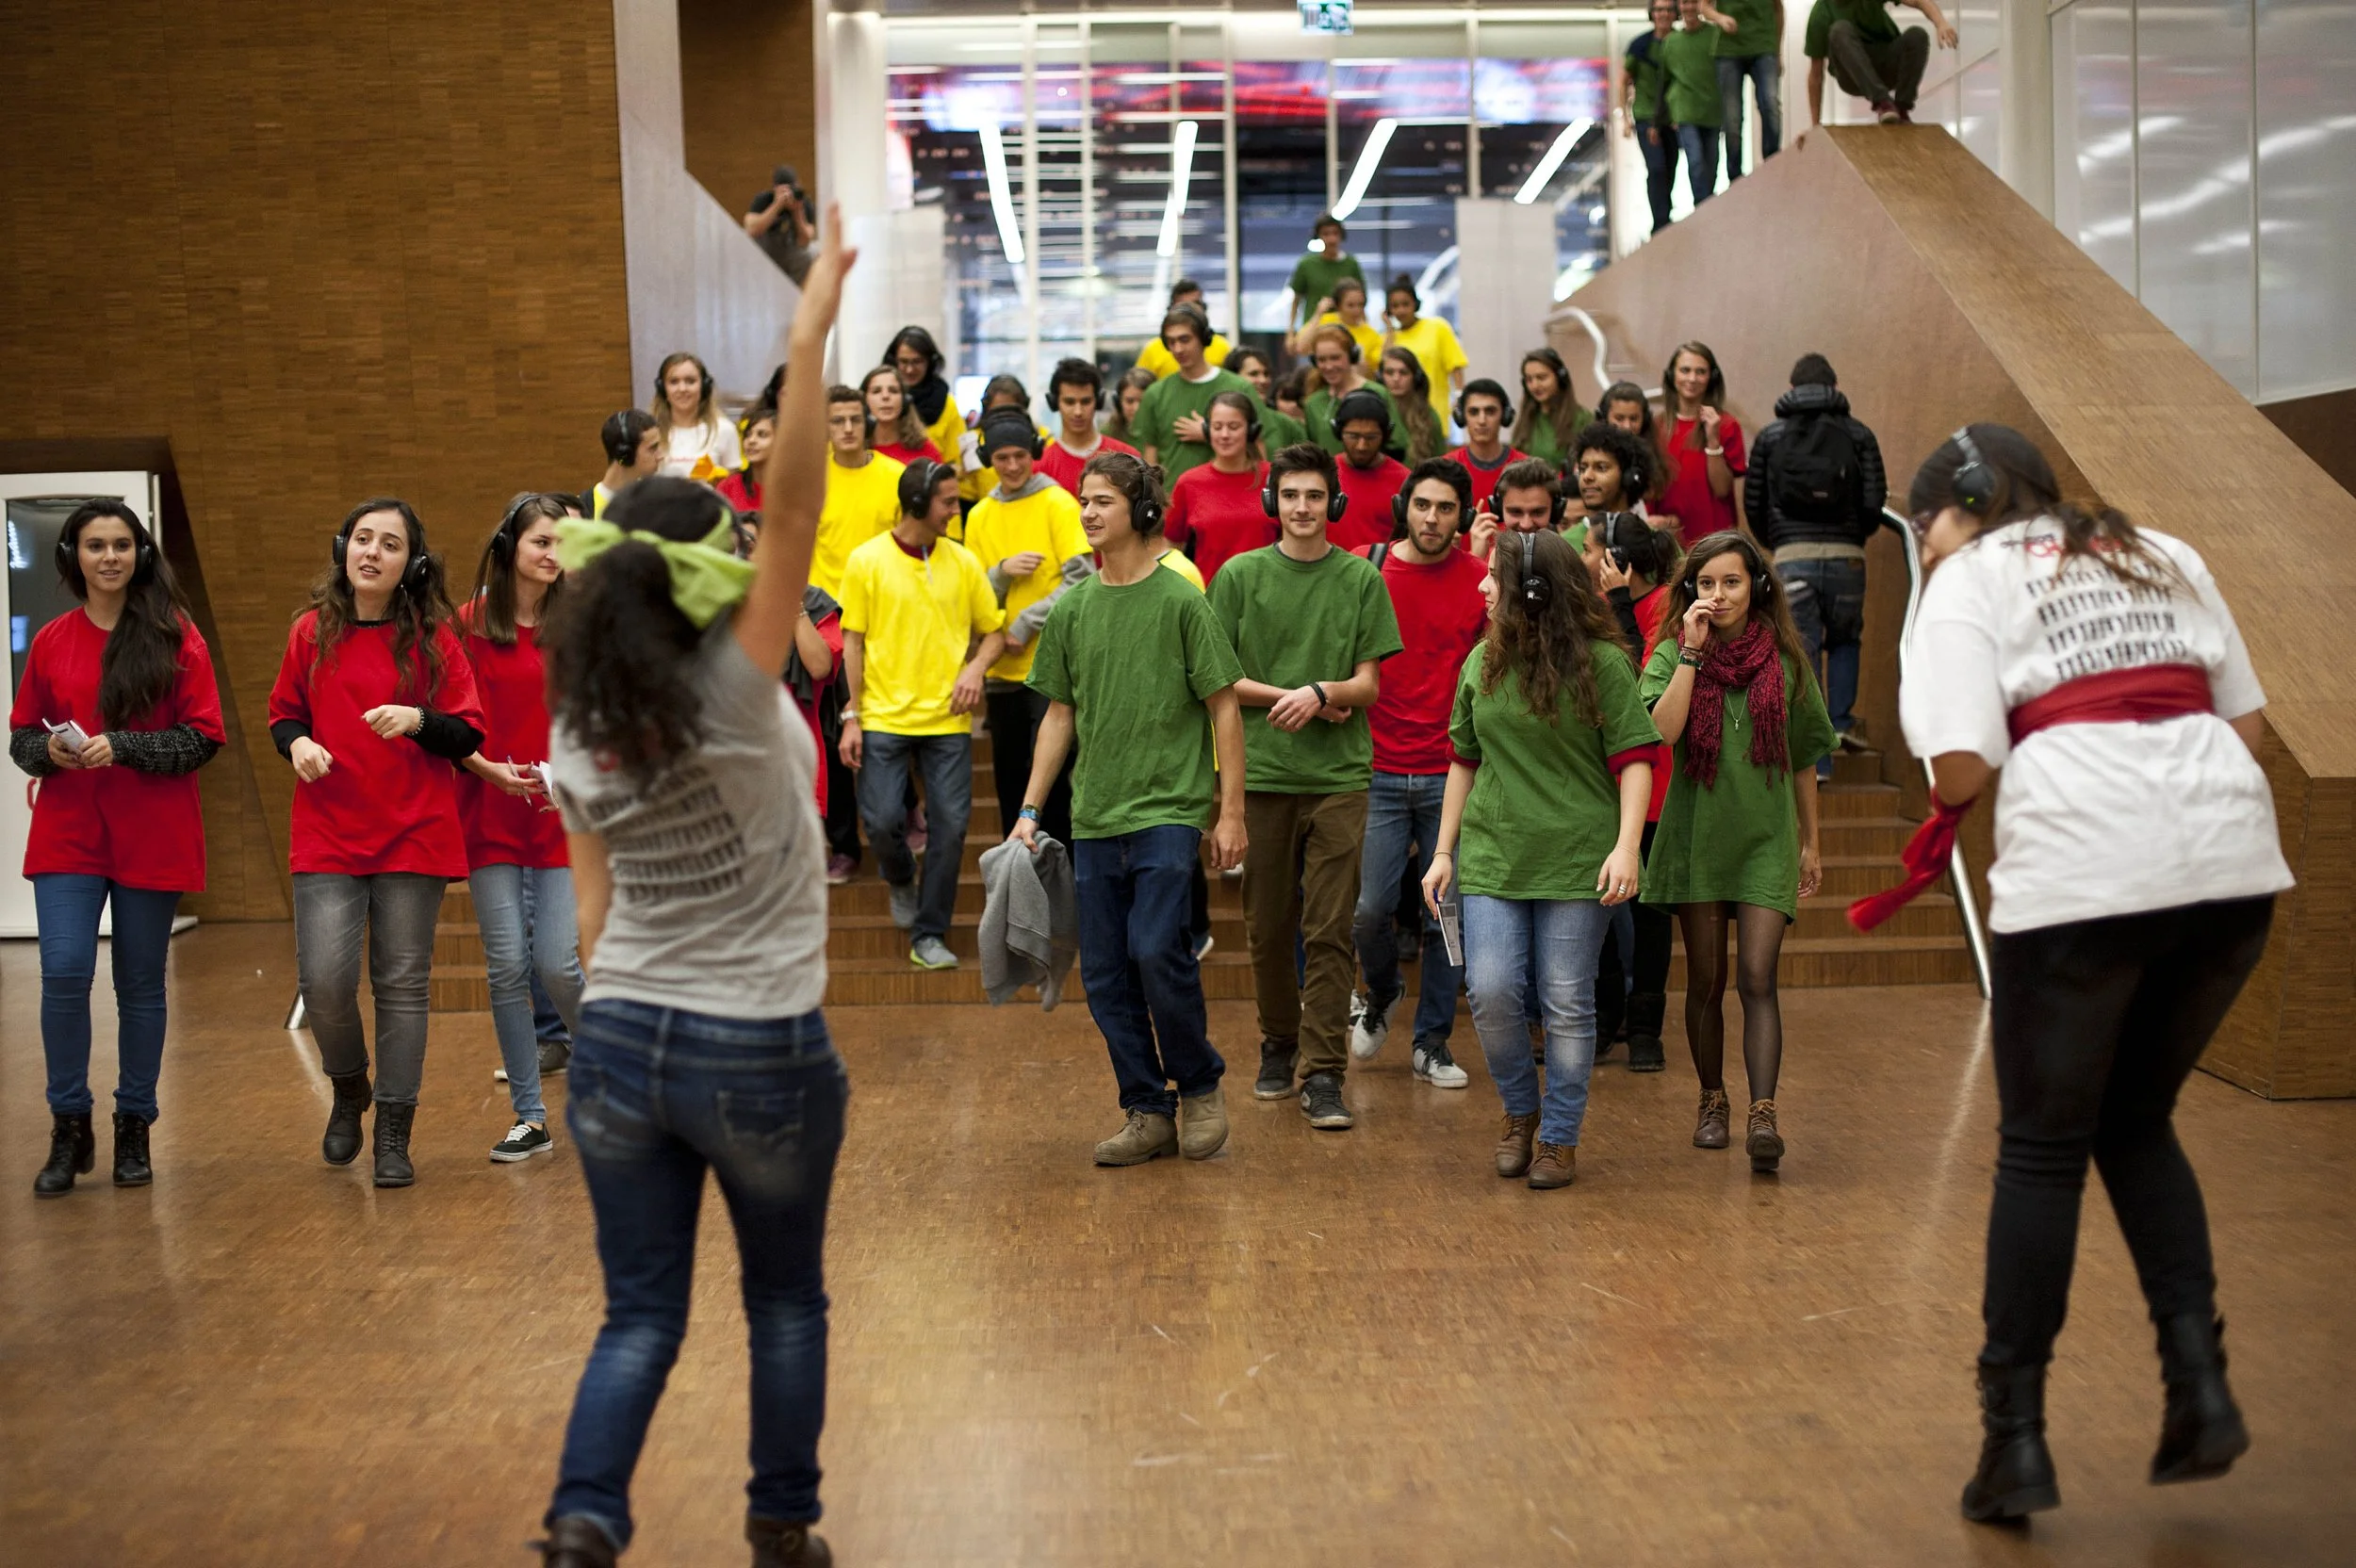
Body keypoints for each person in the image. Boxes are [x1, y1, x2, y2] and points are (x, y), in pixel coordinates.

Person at [1890, 424, 2291, 1527]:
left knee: (2042, 1146)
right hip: (2229, 868)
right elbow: (2248, 728)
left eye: (1919, 528)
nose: (1920, 547)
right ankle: (2196, 1385)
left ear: (1950, 510)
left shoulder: (1967, 578)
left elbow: (1959, 767)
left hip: (2084, 873)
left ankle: (2013, 1442)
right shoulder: (2159, 548)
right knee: (2136, 1120)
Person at [532, 213, 855, 1568]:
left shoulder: (572, 723)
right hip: (757, 1043)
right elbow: (792, 504)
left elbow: (592, 920)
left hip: (618, 1044)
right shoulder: (734, 683)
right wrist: (805, 326)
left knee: (637, 1318)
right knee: (783, 1306)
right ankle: (781, 1530)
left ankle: (583, 1528)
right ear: (706, 572)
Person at [1012, 452, 1249, 1166]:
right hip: (1093, 817)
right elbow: (1059, 715)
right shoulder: (1077, 606)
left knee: (1156, 951)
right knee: (1106, 973)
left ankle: (1200, 1084)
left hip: (1169, 812)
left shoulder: (1180, 598)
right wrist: (1029, 809)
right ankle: (1147, 1108)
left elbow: (1225, 707)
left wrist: (1228, 813)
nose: (1087, 512)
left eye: (1103, 500)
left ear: (1142, 511)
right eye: (1083, 500)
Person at [1422, 528, 1659, 1189]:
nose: (1481, 586)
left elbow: (1636, 758)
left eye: (1493, 577)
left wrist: (1627, 846)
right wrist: (1443, 853)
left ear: (1533, 592)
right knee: (1492, 993)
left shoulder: (1605, 665)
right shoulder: (1482, 662)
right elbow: (1463, 763)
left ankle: (1558, 1137)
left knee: (1565, 1001)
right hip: (1495, 852)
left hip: (1579, 858)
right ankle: (1520, 1113)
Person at [268, 499, 485, 1189]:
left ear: (410, 564)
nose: (372, 552)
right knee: (325, 983)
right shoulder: (310, 631)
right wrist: (298, 742)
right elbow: (284, 714)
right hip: (329, 829)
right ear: (343, 549)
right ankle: (350, 1086)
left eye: (389, 544)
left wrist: (419, 718)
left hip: (414, 832)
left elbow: (467, 734)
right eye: (362, 539)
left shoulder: (434, 638)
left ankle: (394, 1127)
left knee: (401, 986)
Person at [14, 500, 223, 1196]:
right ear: (73, 555)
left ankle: (135, 1121)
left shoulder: (175, 637)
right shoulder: (50, 640)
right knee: (65, 972)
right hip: (69, 834)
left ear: (140, 553)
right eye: (96, 545)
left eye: (123, 545)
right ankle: (68, 1122)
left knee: (139, 984)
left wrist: (124, 746)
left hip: (153, 834)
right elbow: (20, 739)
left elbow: (202, 739)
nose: (110, 556)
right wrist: (47, 749)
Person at [1210, 443, 1403, 1131]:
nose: (1301, 508)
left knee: (1328, 929)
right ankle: (1278, 1042)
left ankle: (1323, 1072)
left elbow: (1369, 684)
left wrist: (1324, 691)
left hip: (1339, 779)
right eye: (1290, 495)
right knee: (1266, 929)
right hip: (1258, 775)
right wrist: (1299, 696)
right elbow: (1219, 678)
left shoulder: (1359, 580)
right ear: (1272, 502)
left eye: (1314, 497)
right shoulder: (1236, 576)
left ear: (1334, 504)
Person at [1638, 531, 1833, 1172]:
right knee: (1705, 980)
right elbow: (1660, 733)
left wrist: (1811, 843)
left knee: (1756, 976)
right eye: (1706, 584)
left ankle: (1764, 1112)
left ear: (1757, 587)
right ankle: (1712, 1098)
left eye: (1731, 582)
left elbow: (1805, 759)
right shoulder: (1671, 653)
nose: (1718, 595)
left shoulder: (1788, 662)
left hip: (1765, 840)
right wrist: (1691, 655)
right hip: (1697, 838)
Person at [451, 495, 584, 1165]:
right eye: (541, 541)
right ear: (510, 547)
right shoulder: (467, 625)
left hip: (561, 815)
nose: (553, 555)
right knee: (506, 966)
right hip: (488, 811)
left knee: (557, 962)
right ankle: (530, 1117)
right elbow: (447, 720)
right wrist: (485, 769)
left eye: (562, 543)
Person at [837, 458, 1007, 972]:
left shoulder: (963, 561)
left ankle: (929, 932)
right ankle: (899, 877)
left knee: (952, 828)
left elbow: (994, 632)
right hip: (884, 718)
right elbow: (853, 643)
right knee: (883, 821)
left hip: (947, 722)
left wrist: (976, 667)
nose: (957, 510)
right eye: (948, 502)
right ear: (917, 505)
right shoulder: (866, 560)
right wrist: (852, 714)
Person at [1350, 460, 1488, 1091]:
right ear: (1406, 505)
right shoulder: (1366, 565)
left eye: (1446, 509)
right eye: (1424, 506)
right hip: (1376, 766)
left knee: (1447, 916)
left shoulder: (1483, 581)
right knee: (1369, 911)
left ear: (1463, 516)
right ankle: (1381, 992)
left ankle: (1432, 1041)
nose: (1433, 519)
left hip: (1451, 771)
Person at [1568, 424, 1679, 1070]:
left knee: (1651, 913)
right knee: (1605, 908)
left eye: (1591, 551)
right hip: (1603, 784)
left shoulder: (1663, 608)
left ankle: (1645, 1030)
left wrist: (1615, 603)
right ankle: (1607, 1020)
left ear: (1618, 564)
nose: (1582, 557)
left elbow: (1639, 694)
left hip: (1657, 787)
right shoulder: (1601, 609)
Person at [1744, 353, 1887, 774]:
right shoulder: (1859, 434)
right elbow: (1873, 499)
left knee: (1802, 652)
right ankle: (1841, 722)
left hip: (1792, 556)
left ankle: (1818, 762)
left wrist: (1779, 542)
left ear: (1791, 389)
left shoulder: (1771, 437)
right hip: (1847, 558)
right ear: (1834, 386)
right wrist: (1854, 536)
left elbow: (1754, 500)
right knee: (1845, 639)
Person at [963, 410, 1093, 846]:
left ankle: (1063, 897)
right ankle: (1018, 895)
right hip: (1004, 673)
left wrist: (1026, 621)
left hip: (1051, 669)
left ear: (1034, 454)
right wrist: (1000, 572)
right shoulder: (979, 515)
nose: (1013, 465)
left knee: (1052, 794)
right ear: (988, 458)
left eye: (1021, 455)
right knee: (1009, 791)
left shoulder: (1058, 502)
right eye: (1002, 457)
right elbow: (975, 593)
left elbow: (1081, 578)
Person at [1132, 303, 1259, 484]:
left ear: (1203, 338)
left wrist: (1210, 434)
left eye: (1185, 340)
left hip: (1231, 496)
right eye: (1171, 342)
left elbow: (1257, 448)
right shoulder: (1156, 393)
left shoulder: (1240, 387)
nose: (1178, 349)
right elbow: (1150, 456)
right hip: (1172, 502)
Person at [1165, 390, 1274, 583]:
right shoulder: (1189, 483)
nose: (1224, 435)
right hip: (1210, 597)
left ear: (1251, 430)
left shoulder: (1275, 478)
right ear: (1207, 430)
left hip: (1267, 595)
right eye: (1217, 427)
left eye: (1233, 427)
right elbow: (1172, 547)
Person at [814, 383, 906, 597]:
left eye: (855, 420)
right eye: (838, 421)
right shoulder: (812, 479)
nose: (848, 429)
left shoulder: (898, 476)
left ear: (868, 424)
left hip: (882, 600)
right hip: (826, 608)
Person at [1806, 0, 1955, 127]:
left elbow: (1917, 1)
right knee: (1839, 30)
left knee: (1917, 35)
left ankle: (1901, 108)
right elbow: (1816, 75)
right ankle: (1882, 102)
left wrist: (1940, 22)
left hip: (1885, 66)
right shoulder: (1821, 12)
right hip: (1851, 76)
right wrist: (1815, 125)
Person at [1658, 341, 1744, 544]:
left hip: (1713, 539)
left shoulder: (1726, 425)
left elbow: (1722, 489)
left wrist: (1713, 438)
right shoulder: (1657, 426)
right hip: (1668, 540)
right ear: (1672, 375)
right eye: (1685, 370)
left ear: (1711, 377)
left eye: (1700, 372)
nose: (1692, 379)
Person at [1700, 0, 1783, 177]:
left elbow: (1778, 9)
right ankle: (1735, 176)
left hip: (1764, 47)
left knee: (1771, 105)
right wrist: (1720, 18)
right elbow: (1704, 6)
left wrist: (1777, 52)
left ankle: (1773, 165)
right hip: (1728, 50)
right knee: (1732, 120)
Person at [1621, 0, 1681, 234]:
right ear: (1652, 14)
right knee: (1656, 168)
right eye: (1659, 10)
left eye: (1668, 9)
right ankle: (1660, 222)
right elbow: (1623, 81)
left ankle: (1665, 216)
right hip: (1647, 118)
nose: (1663, 14)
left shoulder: (1679, 42)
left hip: (1674, 119)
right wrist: (1626, 118)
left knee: (1671, 168)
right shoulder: (1640, 46)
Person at [1038, 358, 1137, 497]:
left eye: (1085, 401)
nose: (1078, 411)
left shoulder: (1127, 458)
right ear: (1054, 403)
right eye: (1069, 402)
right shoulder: (1040, 467)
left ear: (1098, 401)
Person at [1302, 324, 1403, 463]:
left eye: (1335, 358)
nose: (1329, 366)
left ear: (1352, 356)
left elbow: (1398, 444)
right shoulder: (1313, 403)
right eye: (1322, 360)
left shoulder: (1377, 393)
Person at [886, 325, 970, 484]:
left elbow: (957, 463)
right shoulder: (879, 400)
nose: (909, 369)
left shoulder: (946, 404)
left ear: (930, 363)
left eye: (917, 362)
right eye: (903, 362)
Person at [1661, 0, 1725, 207]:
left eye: (1693, 2)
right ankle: (1702, 208)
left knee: (1712, 164)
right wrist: (1667, 114)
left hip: (1712, 110)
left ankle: (1708, 206)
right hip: (1685, 112)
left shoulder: (1715, 36)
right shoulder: (1671, 42)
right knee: (1695, 161)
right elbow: (1665, 81)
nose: (1688, 8)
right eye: (1684, 3)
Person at [1382, 276, 1468, 426]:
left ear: (1415, 304)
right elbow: (1383, 367)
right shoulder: (1387, 338)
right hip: (1400, 418)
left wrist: (1459, 397)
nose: (1401, 310)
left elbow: (1456, 366)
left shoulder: (1437, 327)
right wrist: (1389, 329)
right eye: (1395, 306)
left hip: (1434, 411)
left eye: (1405, 304)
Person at [1331, 390, 1411, 552]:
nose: (1362, 446)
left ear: (1385, 435)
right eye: (1353, 436)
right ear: (1338, 432)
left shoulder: (1404, 480)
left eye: (1371, 437)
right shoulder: (1323, 474)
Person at [649, 352, 743, 483]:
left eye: (690, 381)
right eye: (674, 382)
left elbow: (734, 489)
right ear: (662, 388)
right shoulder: (650, 433)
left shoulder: (725, 430)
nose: (682, 389)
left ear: (704, 387)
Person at [1448, 379, 1530, 514]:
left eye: (1490, 412)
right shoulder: (1446, 468)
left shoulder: (1526, 468)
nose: (1482, 421)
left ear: (1504, 416)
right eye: (1474, 412)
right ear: (1462, 417)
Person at [1284, 213, 1366, 334]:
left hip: (1346, 330)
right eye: (1326, 234)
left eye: (1335, 233)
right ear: (1318, 236)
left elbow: (1360, 299)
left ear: (1341, 235)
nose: (1331, 239)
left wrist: (1364, 324)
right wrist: (1290, 331)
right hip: (1313, 329)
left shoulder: (1351, 264)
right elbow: (1296, 299)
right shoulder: (1306, 264)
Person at [1135, 278, 1233, 378]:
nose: (1191, 310)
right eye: (1184, 306)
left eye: (1196, 304)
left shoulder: (1223, 347)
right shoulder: (1152, 351)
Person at [1511, 348, 1590, 468]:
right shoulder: (1526, 418)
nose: (1535, 386)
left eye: (1541, 378)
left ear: (1560, 378)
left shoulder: (1582, 419)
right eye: (1529, 380)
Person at [743, 163, 816, 283]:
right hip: (765, 253)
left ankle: (793, 291)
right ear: (775, 188)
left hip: (789, 253)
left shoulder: (803, 204)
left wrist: (797, 212)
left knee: (812, 255)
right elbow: (752, 230)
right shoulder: (764, 200)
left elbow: (805, 241)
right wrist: (777, 205)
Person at [1225, 346, 1310, 449]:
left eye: (1266, 374)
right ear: (1233, 378)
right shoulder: (1218, 423)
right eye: (1254, 374)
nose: (1263, 380)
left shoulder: (1286, 424)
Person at [587, 409, 663, 519]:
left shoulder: (659, 506)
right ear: (625, 454)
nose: (661, 456)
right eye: (653, 448)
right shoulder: (582, 510)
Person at [1292, 276, 1385, 366]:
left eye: (1361, 305)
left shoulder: (1371, 334)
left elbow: (1376, 366)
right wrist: (1318, 314)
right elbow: (1301, 348)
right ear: (1338, 305)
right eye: (1350, 305)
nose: (1356, 310)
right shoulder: (1324, 321)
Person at [861, 365, 942, 467]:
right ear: (864, 400)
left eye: (893, 390)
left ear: (905, 401)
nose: (885, 396)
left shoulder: (926, 450)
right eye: (876, 391)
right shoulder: (855, 450)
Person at [1380, 347, 1447, 466]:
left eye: (1403, 373)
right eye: (1390, 372)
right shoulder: (1373, 413)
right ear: (1381, 377)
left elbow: (1441, 464)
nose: (1396, 379)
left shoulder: (1429, 416)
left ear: (1416, 377)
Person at [715, 403, 775, 516]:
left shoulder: (793, 490)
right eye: (748, 435)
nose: (751, 441)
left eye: (762, 435)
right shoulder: (728, 487)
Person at [1103, 367, 1157, 447]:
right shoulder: (1106, 435)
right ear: (1118, 403)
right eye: (1130, 401)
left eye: (1144, 402)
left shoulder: (1168, 433)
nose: (1136, 408)